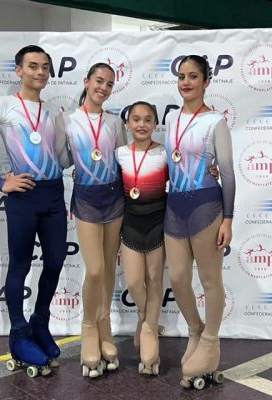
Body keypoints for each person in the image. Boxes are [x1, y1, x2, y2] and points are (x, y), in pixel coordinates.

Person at [0, 45, 70, 377]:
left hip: (54, 194)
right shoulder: (3, 105)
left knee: (55, 261)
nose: (40, 72)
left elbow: (61, 159)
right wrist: (0, 182)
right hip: (24, 196)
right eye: (33, 66)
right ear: (19, 70)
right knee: (20, 265)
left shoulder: (54, 111)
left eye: (45, 67)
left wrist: (82, 149)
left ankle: (40, 324)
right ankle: (19, 335)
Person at [164, 55, 235, 389]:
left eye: (193, 76)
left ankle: (210, 341)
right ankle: (195, 329)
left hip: (207, 205)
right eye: (182, 76)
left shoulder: (215, 122)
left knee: (210, 280)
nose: (186, 82)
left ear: (206, 82)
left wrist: (228, 219)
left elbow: (228, 173)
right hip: (175, 206)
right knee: (178, 277)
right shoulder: (171, 118)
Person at [59, 63, 126, 377]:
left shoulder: (114, 121)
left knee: (109, 267)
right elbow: (60, 159)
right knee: (95, 269)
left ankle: (104, 326)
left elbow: (126, 159)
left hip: (114, 197)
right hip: (86, 198)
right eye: (99, 81)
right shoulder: (67, 120)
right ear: (86, 82)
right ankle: (88, 327)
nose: (103, 87)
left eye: (109, 84)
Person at [115, 101, 167, 376]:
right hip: (131, 225)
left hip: (157, 224)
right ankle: (144, 317)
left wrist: (212, 171)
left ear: (156, 124)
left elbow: (185, 178)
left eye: (148, 119)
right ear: (127, 124)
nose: (142, 124)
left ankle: (149, 330)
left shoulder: (165, 153)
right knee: (135, 281)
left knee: (154, 279)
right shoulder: (120, 154)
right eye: (136, 119)